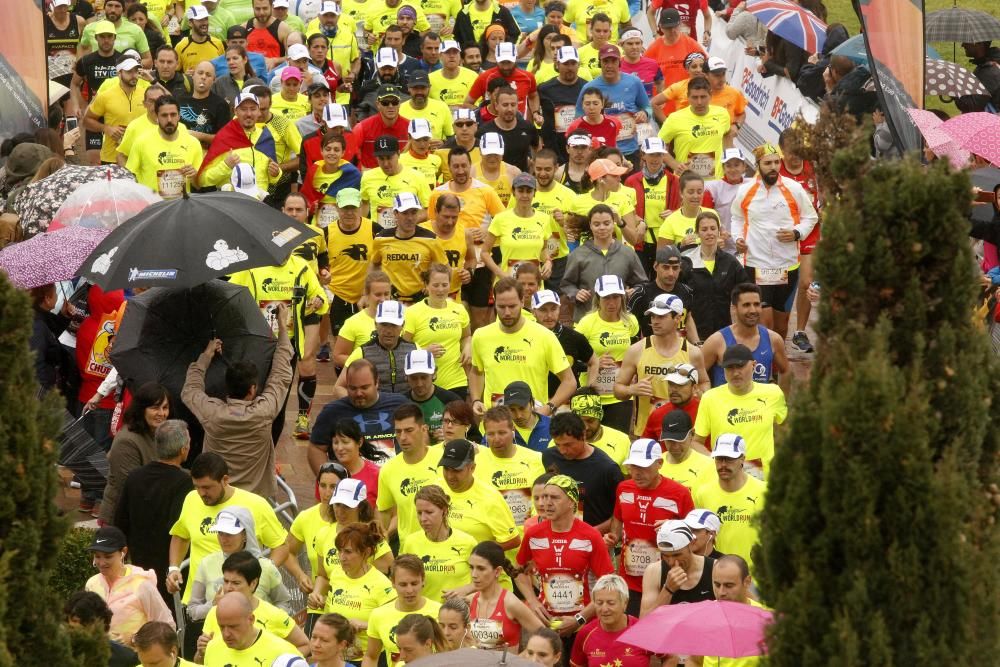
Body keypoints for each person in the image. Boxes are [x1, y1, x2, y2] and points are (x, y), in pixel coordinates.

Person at [180, 305, 293, 498]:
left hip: (218, 498)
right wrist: (283, 326)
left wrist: (206, 356)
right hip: (256, 499)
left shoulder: (212, 413)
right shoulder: (264, 411)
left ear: (227, 388)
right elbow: (281, 372)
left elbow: (190, 389)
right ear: (252, 389)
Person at [166, 452, 289, 605]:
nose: (201, 493)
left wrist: (259, 576)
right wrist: (173, 568)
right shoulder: (191, 499)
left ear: (225, 480)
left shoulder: (256, 504)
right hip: (200, 603)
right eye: (197, 487)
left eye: (207, 487)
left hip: (242, 604)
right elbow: (181, 535)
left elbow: (281, 547)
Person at [515, 475, 614, 654]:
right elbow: (518, 570)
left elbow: (607, 584)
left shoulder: (590, 536)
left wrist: (579, 619)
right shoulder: (534, 534)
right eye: (544, 497)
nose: (546, 503)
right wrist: (532, 600)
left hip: (582, 624)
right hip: (545, 622)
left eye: (554, 497)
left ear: (571, 502)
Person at [730, 143, 819, 341]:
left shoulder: (794, 188)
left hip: (787, 264)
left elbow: (811, 218)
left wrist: (797, 233)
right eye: (768, 163)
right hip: (756, 263)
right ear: (758, 164)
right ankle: (764, 366)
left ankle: (777, 368)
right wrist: (738, 238)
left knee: (781, 326)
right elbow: (736, 217)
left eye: (777, 162)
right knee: (764, 322)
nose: (773, 167)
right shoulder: (746, 190)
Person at [605, 438, 694, 614]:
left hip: (666, 581)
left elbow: (695, 537)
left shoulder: (680, 493)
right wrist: (611, 538)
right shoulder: (623, 488)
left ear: (659, 463)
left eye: (643, 467)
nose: (637, 473)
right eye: (633, 467)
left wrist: (674, 526)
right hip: (629, 582)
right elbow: (618, 520)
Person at [113, 420, 193, 606]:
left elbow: (120, 522)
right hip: (173, 567)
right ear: (183, 449)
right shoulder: (185, 482)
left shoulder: (135, 477)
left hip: (140, 562)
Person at [470, 277, 576, 414]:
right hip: (495, 426)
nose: (507, 312)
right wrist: (476, 400)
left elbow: (569, 381)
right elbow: (476, 372)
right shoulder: (481, 336)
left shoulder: (544, 336)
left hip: (532, 426)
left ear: (522, 302)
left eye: (512, 306)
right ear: (494, 303)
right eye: (501, 307)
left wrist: (548, 407)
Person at [615, 293, 709, 436]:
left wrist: (696, 393)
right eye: (653, 316)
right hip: (646, 431)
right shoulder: (637, 350)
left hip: (682, 432)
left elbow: (704, 383)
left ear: (677, 318)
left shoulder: (692, 353)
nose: (655, 321)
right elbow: (618, 389)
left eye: (661, 317)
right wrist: (632, 389)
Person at [307, 522, 396, 661]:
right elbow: (333, 610)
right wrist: (320, 602)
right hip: (337, 658)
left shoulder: (381, 585)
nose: (341, 557)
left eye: (348, 552)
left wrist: (366, 625)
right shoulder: (336, 574)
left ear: (366, 553)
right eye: (340, 550)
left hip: (370, 659)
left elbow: (395, 623)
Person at [693, 345, 786, 477]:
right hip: (726, 478)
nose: (735, 373)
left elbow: (786, 432)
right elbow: (696, 442)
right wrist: (717, 462)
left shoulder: (773, 393)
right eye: (730, 368)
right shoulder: (710, 398)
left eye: (740, 366)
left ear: (753, 365)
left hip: (763, 479)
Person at [194, 551, 308, 660]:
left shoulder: (274, 615)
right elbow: (201, 661)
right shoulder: (214, 613)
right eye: (226, 581)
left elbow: (305, 645)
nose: (228, 588)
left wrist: (277, 663)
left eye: (236, 583)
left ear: (253, 583)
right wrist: (200, 654)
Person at [188, 509, 292, 620]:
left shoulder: (266, 567)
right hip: (219, 635)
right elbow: (192, 610)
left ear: (245, 534)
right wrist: (213, 605)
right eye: (220, 533)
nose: (223, 539)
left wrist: (269, 623)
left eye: (229, 534)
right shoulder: (206, 564)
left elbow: (283, 602)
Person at [310, 360, 410, 467]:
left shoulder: (399, 404)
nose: (358, 393)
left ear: (377, 383)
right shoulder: (332, 412)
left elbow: (418, 438)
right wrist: (328, 478)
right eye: (353, 388)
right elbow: (316, 448)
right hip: (352, 482)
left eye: (364, 387)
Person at [85, 526, 174, 645]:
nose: (101, 562)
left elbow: (167, 627)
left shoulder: (142, 585)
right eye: (97, 556)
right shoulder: (91, 584)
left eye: (108, 556)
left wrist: (134, 640)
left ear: (124, 552)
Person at [97, 383, 169, 525]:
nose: (162, 413)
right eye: (155, 408)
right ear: (141, 409)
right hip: (120, 519)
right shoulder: (127, 441)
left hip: (142, 514)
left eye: (165, 407)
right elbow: (131, 486)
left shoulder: (159, 434)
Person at [573, 276, 640, 430]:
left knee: (617, 444)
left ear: (622, 298)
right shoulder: (586, 323)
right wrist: (594, 363)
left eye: (616, 297)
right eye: (606, 298)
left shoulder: (631, 322)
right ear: (597, 298)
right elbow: (571, 361)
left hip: (620, 397)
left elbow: (637, 354)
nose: (612, 303)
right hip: (591, 395)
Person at [777, 129, 821, 354]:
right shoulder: (775, 170)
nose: (794, 156)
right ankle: (776, 333)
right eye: (789, 151)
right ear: (782, 150)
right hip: (782, 234)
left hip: (809, 232)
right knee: (781, 285)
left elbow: (827, 197)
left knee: (806, 282)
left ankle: (800, 332)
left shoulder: (814, 170)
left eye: (797, 150)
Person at [692, 435, 765, 570]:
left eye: (730, 459)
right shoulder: (702, 493)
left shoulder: (763, 492)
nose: (723, 465)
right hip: (716, 576)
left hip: (754, 576)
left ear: (742, 459)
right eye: (719, 459)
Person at [542, 413, 623, 530]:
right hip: (558, 536)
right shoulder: (548, 457)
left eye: (568, 444)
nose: (562, 451)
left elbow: (621, 513)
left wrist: (590, 533)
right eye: (557, 445)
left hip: (595, 540)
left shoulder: (607, 468)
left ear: (583, 435)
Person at [376, 403, 445, 540]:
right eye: (398, 431)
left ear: (423, 429)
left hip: (444, 548)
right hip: (409, 552)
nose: (402, 437)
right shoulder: (388, 470)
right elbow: (384, 513)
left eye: (409, 430)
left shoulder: (443, 459)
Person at [403, 263, 472, 396]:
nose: (440, 290)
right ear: (426, 285)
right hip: (425, 384)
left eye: (445, 285)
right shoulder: (412, 312)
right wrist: (423, 352)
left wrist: (468, 347)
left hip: (456, 381)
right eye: (435, 285)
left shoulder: (459, 309)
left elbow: (466, 336)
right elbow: (402, 348)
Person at [438, 439, 521, 550]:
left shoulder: (490, 498)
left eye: (456, 470)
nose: (449, 476)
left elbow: (512, 540)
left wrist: (475, 553)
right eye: (446, 469)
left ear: (472, 468)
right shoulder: (437, 489)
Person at [400, 484, 478, 602]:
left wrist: (466, 589)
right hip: (424, 616)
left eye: (429, 512)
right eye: (419, 513)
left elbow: (486, 580)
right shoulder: (411, 542)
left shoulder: (468, 542)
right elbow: (402, 581)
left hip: (456, 615)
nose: (423, 519)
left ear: (444, 511)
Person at [701, 284, 788, 388]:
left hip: (759, 403)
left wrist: (782, 400)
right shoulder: (716, 341)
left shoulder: (773, 339)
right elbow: (696, 376)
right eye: (746, 305)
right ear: (734, 308)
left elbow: (786, 370)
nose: (752, 310)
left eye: (756, 304)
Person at [575, 44, 650, 166]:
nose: (609, 66)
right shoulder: (589, 87)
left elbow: (648, 107)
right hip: (601, 153)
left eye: (614, 61)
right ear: (599, 63)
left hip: (630, 149)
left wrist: (645, 114)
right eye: (605, 61)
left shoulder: (633, 82)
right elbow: (578, 119)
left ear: (620, 63)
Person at [476, 406, 547, 534]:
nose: (496, 439)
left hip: (528, 538)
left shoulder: (535, 458)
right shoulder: (475, 463)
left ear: (513, 430)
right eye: (490, 434)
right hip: (493, 542)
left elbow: (542, 501)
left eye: (502, 433)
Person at [681, 213, 751, 340]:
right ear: (697, 233)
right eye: (704, 229)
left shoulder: (730, 262)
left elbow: (746, 291)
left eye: (713, 229)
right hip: (694, 333)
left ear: (719, 232)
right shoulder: (686, 261)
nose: (709, 233)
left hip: (723, 332)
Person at [363, 555, 442, 667]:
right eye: (403, 585)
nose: (409, 590)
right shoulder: (379, 615)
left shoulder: (440, 612)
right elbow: (371, 656)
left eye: (414, 583)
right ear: (393, 583)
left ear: (423, 580)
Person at [284, 462, 348, 596]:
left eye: (333, 487)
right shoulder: (305, 518)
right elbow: (287, 552)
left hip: (351, 601)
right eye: (323, 486)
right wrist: (300, 576)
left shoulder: (353, 518)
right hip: (318, 599)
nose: (327, 493)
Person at [197, 93, 283, 191]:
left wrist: (275, 173)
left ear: (259, 111)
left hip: (259, 202)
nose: (249, 114)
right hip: (232, 202)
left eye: (253, 109)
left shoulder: (265, 136)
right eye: (243, 109)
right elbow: (202, 180)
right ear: (235, 111)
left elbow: (273, 178)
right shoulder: (224, 137)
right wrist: (225, 166)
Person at [688, 555, 764, 666]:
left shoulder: (764, 619)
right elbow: (693, 661)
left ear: (747, 582)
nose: (721, 592)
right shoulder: (703, 618)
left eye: (729, 585)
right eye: (717, 585)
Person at [124, 95, 204, 197]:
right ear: (157, 117)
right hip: (153, 207)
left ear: (179, 116)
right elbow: (130, 177)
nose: (169, 120)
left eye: (173, 114)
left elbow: (198, 186)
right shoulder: (141, 142)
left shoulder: (193, 143)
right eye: (164, 115)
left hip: (180, 206)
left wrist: (194, 175)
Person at [332, 301, 417, 397]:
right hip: (375, 411)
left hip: (406, 410)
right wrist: (360, 405)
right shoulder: (361, 352)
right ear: (376, 324)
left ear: (402, 325)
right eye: (384, 324)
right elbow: (338, 388)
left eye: (394, 325)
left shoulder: (414, 350)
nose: (388, 331)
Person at [371, 191, 444, 302]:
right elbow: (374, 265)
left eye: (414, 212)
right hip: (390, 301)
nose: (410, 218)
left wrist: (433, 284)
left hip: (421, 301)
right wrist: (370, 292)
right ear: (395, 213)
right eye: (405, 213)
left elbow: (444, 268)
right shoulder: (381, 238)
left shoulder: (431, 239)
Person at [467, 541, 542, 649]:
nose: (474, 575)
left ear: (497, 571)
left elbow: (547, 639)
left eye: (481, 568)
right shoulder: (468, 602)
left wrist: (524, 657)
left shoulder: (511, 603)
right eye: (471, 567)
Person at [481, 173, 555, 280]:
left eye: (529, 191)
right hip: (508, 284)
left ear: (535, 193)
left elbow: (544, 249)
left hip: (533, 284)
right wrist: (500, 273)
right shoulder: (501, 219)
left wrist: (548, 262)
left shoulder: (544, 219)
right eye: (520, 191)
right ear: (513, 192)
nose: (525, 195)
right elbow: (484, 252)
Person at [317, 479, 394, 577]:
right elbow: (323, 577)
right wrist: (316, 591)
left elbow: (391, 580)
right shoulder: (323, 534)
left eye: (347, 506)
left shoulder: (373, 537)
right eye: (337, 504)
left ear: (361, 506)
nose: (340, 511)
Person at [639, 520, 715, 618]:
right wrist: (668, 590)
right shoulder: (654, 571)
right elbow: (644, 622)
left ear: (692, 544)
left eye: (677, 555)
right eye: (665, 556)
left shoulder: (715, 569)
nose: (671, 562)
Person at [570, 574, 650, 667]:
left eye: (611, 603)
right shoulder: (585, 633)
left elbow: (669, 656)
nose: (604, 609)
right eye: (599, 603)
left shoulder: (642, 631)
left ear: (625, 603)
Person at [201, 593, 302, 665]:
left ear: (251, 619)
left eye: (233, 627)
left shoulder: (283, 654)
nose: (226, 634)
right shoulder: (212, 649)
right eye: (221, 627)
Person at [531, 290, 595, 399]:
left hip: (566, 405)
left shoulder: (573, 337)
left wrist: (588, 391)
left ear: (559, 309)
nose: (549, 315)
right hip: (536, 402)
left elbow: (593, 361)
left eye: (553, 309)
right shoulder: (526, 336)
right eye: (543, 310)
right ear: (533, 312)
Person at [84, 55, 146, 165]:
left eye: (136, 71)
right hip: (111, 158)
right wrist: (106, 128)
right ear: (119, 73)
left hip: (141, 157)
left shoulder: (146, 94)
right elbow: (86, 121)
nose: (134, 75)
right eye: (129, 72)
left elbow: (168, 107)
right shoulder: (105, 96)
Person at [627, 245, 697, 341]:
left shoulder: (687, 291)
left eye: (675, 268)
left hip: (680, 351)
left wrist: (697, 344)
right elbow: (630, 327)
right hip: (651, 351)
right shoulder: (641, 294)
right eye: (666, 267)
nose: (671, 273)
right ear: (655, 266)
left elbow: (688, 318)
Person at [330, 270, 392, 371]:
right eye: (378, 294)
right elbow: (338, 356)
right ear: (366, 295)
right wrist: (366, 365)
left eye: (386, 294)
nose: (383, 299)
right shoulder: (353, 323)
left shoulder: (401, 319)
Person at [64, 591, 140, 667]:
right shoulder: (58, 652)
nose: (79, 627)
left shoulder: (126, 658)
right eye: (75, 621)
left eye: (87, 622)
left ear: (102, 622)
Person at [401, 351, 463, 440]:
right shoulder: (400, 403)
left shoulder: (451, 400)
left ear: (434, 374)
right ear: (406, 376)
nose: (419, 384)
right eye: (414, 378)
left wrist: (452, 436)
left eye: (424, 377)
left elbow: (474, 436)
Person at [479, 85, 541, 172]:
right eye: (505, 105)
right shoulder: (485, 131)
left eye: (513, 105)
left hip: (522, 182)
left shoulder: (528, 127)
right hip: (495, 181)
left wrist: (534, 165)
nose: (509, 109)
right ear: (496, 106)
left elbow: (537, 147)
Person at [701, 148, 751, 253]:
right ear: (723, 168)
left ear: (744, 167)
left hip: (751, 242)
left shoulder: (753, 184)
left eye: (736, 165)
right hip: (725, 245)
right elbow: (706, 216)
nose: (733, 169)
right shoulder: (712, 188)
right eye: (728, 165)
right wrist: (719, 232)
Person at [656, 407, 716, 491]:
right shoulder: (654, 465)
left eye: (680, 439)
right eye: (670, 440)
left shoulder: (708, 466)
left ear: (692, 434)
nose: (675, 446)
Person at [644, 8, 706, 87]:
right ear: (661, 27)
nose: (673, 30)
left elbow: (707, 67)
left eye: (675, 26)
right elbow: (643, 71)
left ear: (680, 24)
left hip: (686, 97)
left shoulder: (691, 44)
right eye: (668, 28)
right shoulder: (653, 48)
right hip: (662, 97)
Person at [656, 171, 718, 250]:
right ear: (681, 193)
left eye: (699, 192)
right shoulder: (670, 221)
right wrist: (680, 246)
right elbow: (661, 256)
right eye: (690, 192)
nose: (695, 196)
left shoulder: (712, 214)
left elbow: (719, 244)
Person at [177, 60, 232, 148]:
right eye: (200, 73)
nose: (203, 77)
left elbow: (224, 139)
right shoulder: (180, 100)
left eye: (208, 75)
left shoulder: (221, 105)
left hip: (207, 154)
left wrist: (198, 135)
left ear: (214, 80)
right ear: (193, 75)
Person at [430, 40, 479, 109]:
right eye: (447, 52)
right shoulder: (430, 79)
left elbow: (478, 105)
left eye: (455, 52)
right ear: (440, 56)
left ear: (459, 56)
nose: (452, 56)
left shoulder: (473, 76)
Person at [176, 6, 225, 72]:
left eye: (206, 19)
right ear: (190, 23)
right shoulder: (181, 47)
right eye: (200, 20)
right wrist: (185, 77)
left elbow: (224, 70)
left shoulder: (218, 43)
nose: (204, 23)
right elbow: (174, 73)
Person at [245, 0, 292, 64]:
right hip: (251, 72)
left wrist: (274, 61)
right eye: (258, 9)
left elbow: (293, 57)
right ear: (253, 8)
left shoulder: (283, 28)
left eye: (265, 8)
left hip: (274, 72)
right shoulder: (245, 27)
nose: (261, 13)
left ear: (271, 6)